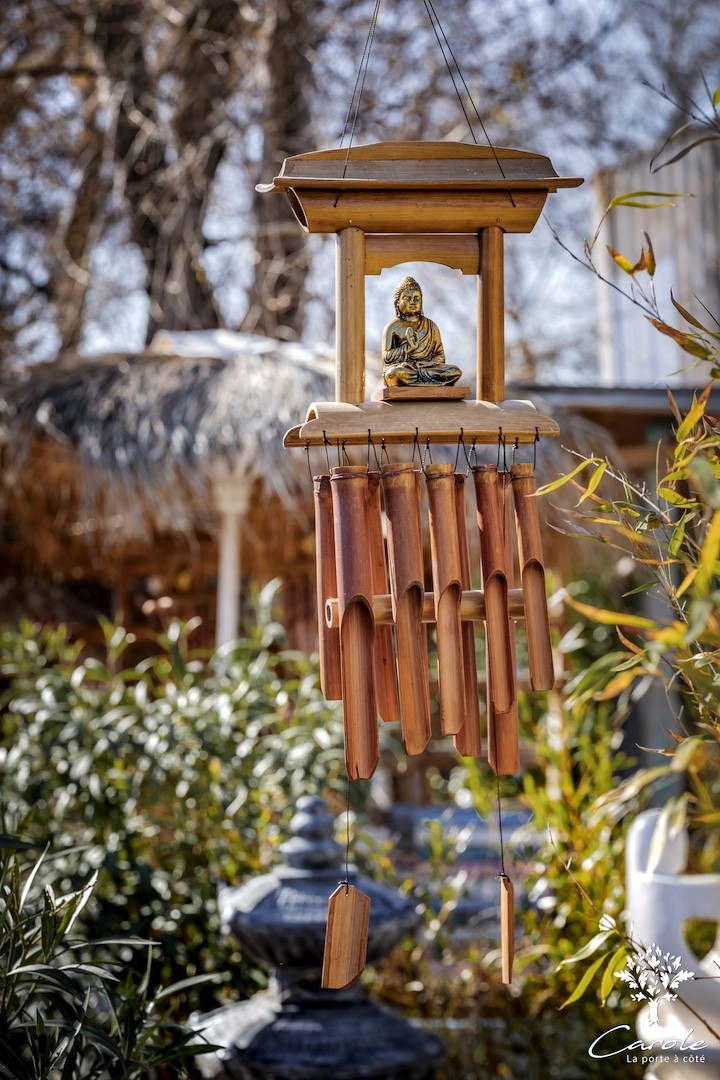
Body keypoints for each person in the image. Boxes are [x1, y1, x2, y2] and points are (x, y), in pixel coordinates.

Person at [382, 276, 462, 387]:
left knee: (455, 371)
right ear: (397, 302)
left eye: (416, 298)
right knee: (392, 374)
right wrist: (408, 348)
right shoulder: (393, 327)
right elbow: (386, 357)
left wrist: (428, 364)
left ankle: (421, 385)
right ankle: (424, 385)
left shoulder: (431, 326)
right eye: (407, 298)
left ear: (422, 301)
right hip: (406, 369)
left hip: (426, 369)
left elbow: (440, 355)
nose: (412, 302)